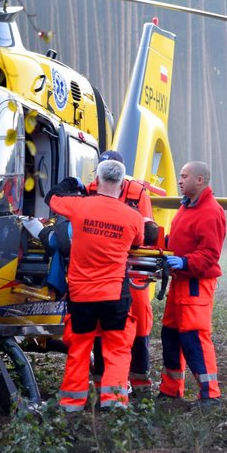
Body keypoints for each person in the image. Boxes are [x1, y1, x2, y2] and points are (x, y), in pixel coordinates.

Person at [46, 161, 145, 412]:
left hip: (81, 296)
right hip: (114, 295)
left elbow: (52, 197)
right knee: (117, 349)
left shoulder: (79, 206)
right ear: (123, 184)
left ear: (97, 180)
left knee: (79, 349)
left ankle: (71, 405)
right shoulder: (133, 218)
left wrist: (72, 183)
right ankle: (114, 405)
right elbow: (138, 242)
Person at [87, 150, 159, 394]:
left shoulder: (138, 193)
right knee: (99, 328)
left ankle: (140, 383)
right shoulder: (88, 190)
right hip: (101, 273)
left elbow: (146, 233)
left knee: (139, 325)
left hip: (132, 272)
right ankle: (102, 383)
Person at [159, 160, 227, 408]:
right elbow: (179, 241)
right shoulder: (186, 208)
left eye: (184, 176)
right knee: (171, 336)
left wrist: (184, 262)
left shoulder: (211, 211)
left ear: (200, 180)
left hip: (196, 284)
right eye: (180, 176)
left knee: (194, 338)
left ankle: (210, 395)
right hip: (180, 282)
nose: (179, 180)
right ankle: (170, 391)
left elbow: (210, 255)